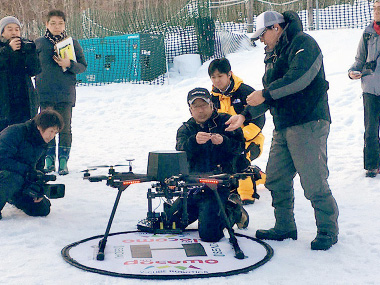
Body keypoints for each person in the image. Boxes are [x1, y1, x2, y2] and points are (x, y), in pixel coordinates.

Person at [225, 11, 339, 250]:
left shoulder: (304, 43)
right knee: (276, 178)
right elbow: (269, 96)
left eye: (262, 35)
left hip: (308, 122)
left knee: (313, 180)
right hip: (284, 124)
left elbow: (298, 79)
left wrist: (264, 94)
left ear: (276, 27)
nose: (261, 41)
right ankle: (285, 226)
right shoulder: (272, 55)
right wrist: (244, 115)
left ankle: (328, 230)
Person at [175, 87, 250, 242]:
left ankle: (233, 209)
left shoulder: (227, 121)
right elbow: (180, 153)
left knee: (210, 235)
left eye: (204, 105)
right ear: (190, 110)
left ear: (212, 106)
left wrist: (224, 142)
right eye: (196, 107)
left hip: (220, 184)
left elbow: (241, 149)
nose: (200, 110)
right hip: (193, 186)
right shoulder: (185, 129)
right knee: (170, 224)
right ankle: (201, 210)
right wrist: (193, 142)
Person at [35, 10, 87, 175]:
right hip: (45, 94)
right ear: (46, 24)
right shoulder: (39, 43)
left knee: (64, 128)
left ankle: (63, 161)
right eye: (53, 23)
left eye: (60, 23)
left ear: (65, 24)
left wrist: (69, 63)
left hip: (65, 93)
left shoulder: (72, 43)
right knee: (46, 127)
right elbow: (30, 66)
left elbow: (82, 66)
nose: (57, 27)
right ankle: (48, 160)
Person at [209, 57, 266, 205]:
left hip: (251, 141)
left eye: (220, 76)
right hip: (227, 142)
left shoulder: (245, 92)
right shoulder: (212, 99)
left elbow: (259, 119)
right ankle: (257, 175)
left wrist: (240, 138)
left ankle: (247, 195)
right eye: (213, 77)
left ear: (229, 74)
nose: (216, 81)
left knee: (241, 157)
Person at [0, 109, 64, 220]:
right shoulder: (15, 132)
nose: (52, 136)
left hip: (19, 180)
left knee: (42, 208)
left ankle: (11, 196)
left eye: (55, 133)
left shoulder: (42, 142)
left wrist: (38, 186)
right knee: (13, 178)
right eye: (51, 131)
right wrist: (27, 171)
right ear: (40, 126)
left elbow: (38, 168)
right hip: (7, 177)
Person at [348, 0, 380, 178]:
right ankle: (372, 165)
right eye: (374, 8)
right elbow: (359, 58)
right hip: (370, 88)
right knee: (370, 129)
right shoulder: (368, 33)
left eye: (379, 8)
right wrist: (353, 71)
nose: (376, 11)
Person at [0, 16, 41, 132]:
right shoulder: (3, 49)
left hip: (23, 101)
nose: (14, 32)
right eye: (10, 29)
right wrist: (8, 49)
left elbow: (35, 71)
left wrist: (31, 53)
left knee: (22, 136)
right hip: (4, 103)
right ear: (2, 33)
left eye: (17, 29)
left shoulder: (25, 47)